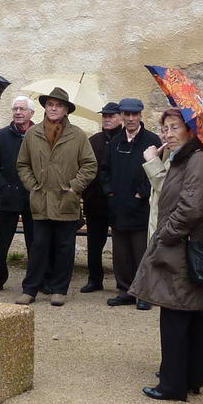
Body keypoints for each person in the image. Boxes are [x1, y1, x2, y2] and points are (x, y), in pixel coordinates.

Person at [130, 108, 203, 401]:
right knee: (185, 313)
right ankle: (190, 375)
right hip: (179, 246)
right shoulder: (183, 158)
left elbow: (192, 207)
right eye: (165, 128)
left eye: (174, 127)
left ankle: (172, 384)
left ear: (191, 130)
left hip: (181, 247)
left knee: (175, 316)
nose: (168, 133)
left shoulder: (198, 160)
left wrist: (166, 233)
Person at [15, 87, 97, 306]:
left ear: (66, 110)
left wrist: (74, 187)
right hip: (41, 200)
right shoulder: (33, 134)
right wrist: (32, 186)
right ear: (45, 107)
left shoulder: (77, 135)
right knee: (38, 246)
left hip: (66, 201)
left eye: (58, 105)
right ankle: (30, 289)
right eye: (50, 104)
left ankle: (59, 290)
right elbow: (22, 164)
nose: (53, 108)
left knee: (64, 247)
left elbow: (90, 165)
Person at [100, 98, 162, 310]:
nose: (131, 119)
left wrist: (142, 193)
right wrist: (109, 192)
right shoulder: (115, 141)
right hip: (118, 207)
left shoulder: (151, 140)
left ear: (140, 115)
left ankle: (143, 293)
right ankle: (125, 290)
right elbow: (104, 170)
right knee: (121, 254)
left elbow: (157, 169)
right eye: (127, 114)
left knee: (141, 253)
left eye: (135, 114)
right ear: (122, 116)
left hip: (140, 208)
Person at [0, 96, 36, 293]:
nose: (18, 112)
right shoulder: (0, 135)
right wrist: (2, 185)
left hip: (32, 197)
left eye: (22, 109)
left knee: (34, 242)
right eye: (15, 109)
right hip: (8, 196)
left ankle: (33, 281)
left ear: (31, 113)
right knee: (2, 242)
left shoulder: (39, 134)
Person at [80, 102, 121, 293]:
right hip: (95, 201)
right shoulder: (94, 140)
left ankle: (124, 282)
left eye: (111, 115)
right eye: (104, 115)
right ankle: (94, 279)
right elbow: (84, 167)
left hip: (118, 201)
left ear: (120, 117)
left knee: (121, 245)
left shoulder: (125, 140)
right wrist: (87, 193)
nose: (107, 118)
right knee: (94, 243)